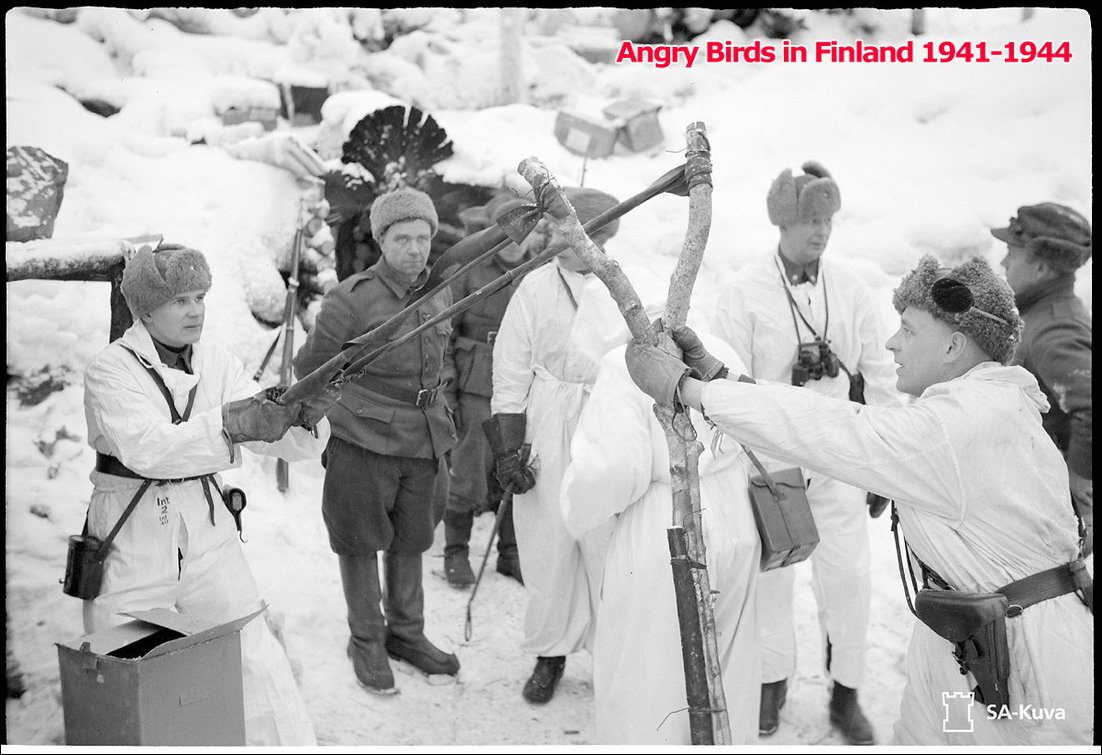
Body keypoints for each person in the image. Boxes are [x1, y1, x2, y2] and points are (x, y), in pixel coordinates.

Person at [626, 253, 1094, 745]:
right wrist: (724, 379)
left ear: (955, 345)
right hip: (971, 647)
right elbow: (836, 419)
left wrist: (693, 391)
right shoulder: (979, 407)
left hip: (1023, 669)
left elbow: (838, 433)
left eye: (909, 331)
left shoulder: (963, 423)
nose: (892, 342)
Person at [82, 243, 335, 745]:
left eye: (200, 296)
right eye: (180, 300)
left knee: (250, 649)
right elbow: (150, 449)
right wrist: (230, 422)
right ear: (145, 308)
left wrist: (301, 418)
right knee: (121, 661)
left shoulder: (219, 362)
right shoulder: (110, 369)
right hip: (132, 532)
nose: (195, 309)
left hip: (206, 524)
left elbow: (265, 433)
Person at [712, 161, 899, 744]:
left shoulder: (853, 289)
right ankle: (772, 684)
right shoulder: (744, 292)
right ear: (783, 223)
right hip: (774, 463)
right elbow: (727, 386)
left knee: (848, 580)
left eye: (828, 220)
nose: (821, 232)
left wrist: (884, 466)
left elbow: (883, 376)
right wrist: (742, 465)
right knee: (772, 581)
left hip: (840, 457)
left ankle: (845, 692)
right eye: (811, 220)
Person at [293, 186, 459, 695]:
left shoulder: (441, 290)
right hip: (364, 438)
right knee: (360, 541)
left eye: (422, 238)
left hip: (426, 436)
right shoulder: (352, 299)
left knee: (412, 540)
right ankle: (366, 640)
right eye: (402, 238)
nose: (414, 249)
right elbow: (310, 369)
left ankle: (407, 635)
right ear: (381, 241)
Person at [562, 332, 762, 744]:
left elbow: (612, 471)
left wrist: (576, 512)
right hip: (732, 511)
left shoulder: (627, 363)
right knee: (728, 667)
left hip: (664, 517)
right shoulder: (717, 347)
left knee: (650, 676)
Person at [489, 186, 626, 704]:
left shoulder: (624, 287)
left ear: (600, 234)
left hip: (606, 421)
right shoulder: (534, 287)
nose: (560, 239)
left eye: (574, 231)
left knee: (607, 542)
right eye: (558, 229)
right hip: (546, 418)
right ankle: (551, 653)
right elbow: (510, 369)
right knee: (547, 540)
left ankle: (614, 653)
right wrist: (508, 446)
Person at [440, 194, 544, 588]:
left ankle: (510, 552)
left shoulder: (540, 274)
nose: (519, 243)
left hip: (526, 389)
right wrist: (448, 394)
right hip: (476, 387)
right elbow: (445, 337)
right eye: (511, 233)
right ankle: (456, 551)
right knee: (467, 473)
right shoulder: (468, 274)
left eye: (526, 233)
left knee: (518, 468)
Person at [993, 203, 1092, 557]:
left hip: (1052, 513)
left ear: (1038, 265)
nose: (1004, 263)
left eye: (1011, 252)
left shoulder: (1053, 329)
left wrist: (1080, 478)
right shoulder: (1041, 316)